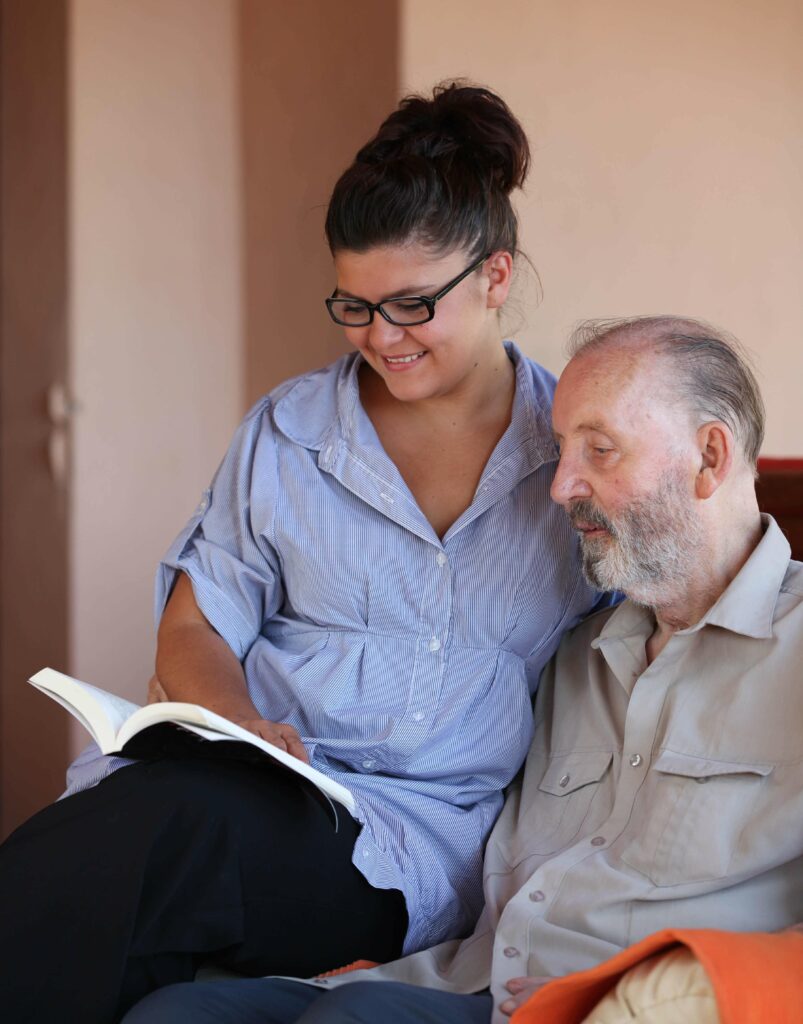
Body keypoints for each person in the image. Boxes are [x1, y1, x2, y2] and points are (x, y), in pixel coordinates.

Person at [0, 84, 606, 1023]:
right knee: (123, 848)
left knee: (153, 847)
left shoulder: (572, 453)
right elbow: (196, 624)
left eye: (410, 306)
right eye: (353, 307)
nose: (380, 340)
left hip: (414, 846)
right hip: (249, 789)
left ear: (495, 275)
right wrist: (245, 725)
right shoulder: (289, 433)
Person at [122, 315, 803, 1023]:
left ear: (709, 459)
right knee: (174, 1013)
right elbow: (484, 842)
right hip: (462, 985)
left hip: (609, 1007)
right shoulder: (575, 653)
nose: (561, 486)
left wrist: (643, 989)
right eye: (561, 451)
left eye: (598, 451)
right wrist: (395, 967)